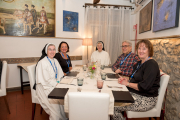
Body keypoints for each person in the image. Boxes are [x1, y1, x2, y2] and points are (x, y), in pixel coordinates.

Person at [112, 40, 160, 120]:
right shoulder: (139, 63)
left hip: (146, 99)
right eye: (139, 48)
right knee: (113, 94)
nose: (141, 51)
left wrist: (127, 84)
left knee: (113, 106)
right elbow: (135, 79)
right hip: (136, 94)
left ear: (149, 50)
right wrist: (127, 80)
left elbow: (144, 86)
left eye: (144, 49)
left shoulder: (151, 64)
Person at [36, 43, 67, 120]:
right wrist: (57, 84)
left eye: (54, 49)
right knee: (55, 108)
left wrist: (59, 82)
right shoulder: (42, 62)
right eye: (50, 49)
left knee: (64, 100)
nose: (52, 51)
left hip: (54, 84)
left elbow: (60, 74)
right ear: (46, 51)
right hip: (44, 87)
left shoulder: (55, 60)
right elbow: (46, 80)